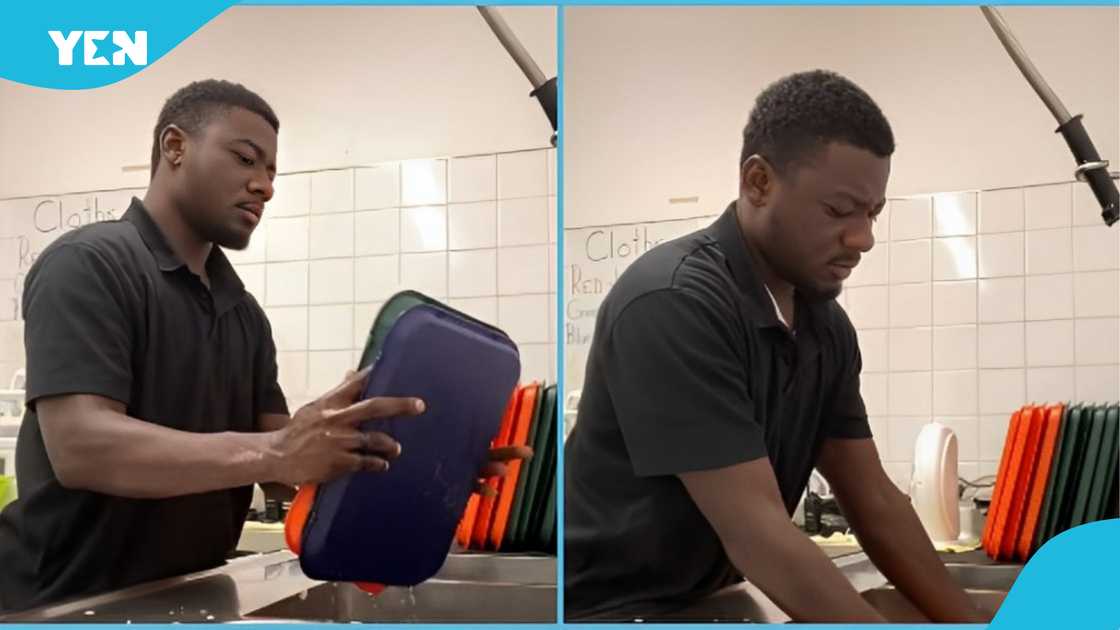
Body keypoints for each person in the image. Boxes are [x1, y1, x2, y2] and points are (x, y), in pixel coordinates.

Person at [0, 79, 526, 612]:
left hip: (181, 596)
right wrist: (277, 450)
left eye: (272, 172)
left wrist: (411, 461)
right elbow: (84, 448)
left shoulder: (243, 312)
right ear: (175, 147)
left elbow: (282, 460)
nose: (264, 186)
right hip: (58, 603)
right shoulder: (89, 263)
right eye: (246, 159)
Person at [564, 70, 987, 623]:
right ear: (759, 182)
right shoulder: (673, 302)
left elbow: (874, 501)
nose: (863, 238)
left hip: (707, 603)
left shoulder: (824, 326)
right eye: (839, 211)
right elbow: (759, 534)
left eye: (872, 213)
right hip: (606, 611)